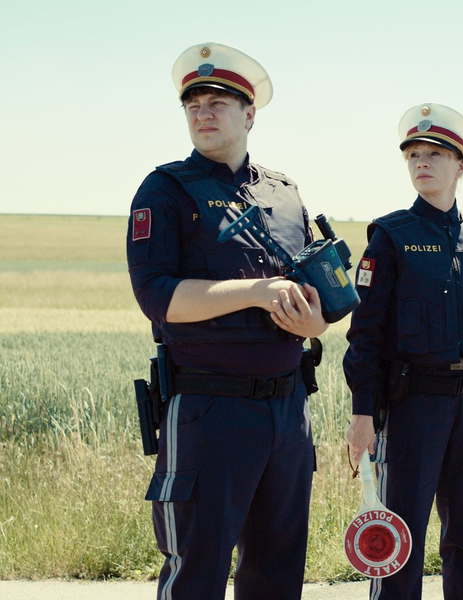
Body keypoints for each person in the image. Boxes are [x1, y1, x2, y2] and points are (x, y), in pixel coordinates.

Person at [126, 42, 327, 600]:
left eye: (218, 102)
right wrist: (258, 292)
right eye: (193, 104)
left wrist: (315, 325)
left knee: (277, 573)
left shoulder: (285, 195)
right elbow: (158, 297)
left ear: (250, 114)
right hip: (209, 413)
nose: (203, 113)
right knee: (197, 573)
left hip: (287, 413)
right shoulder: (166, 190)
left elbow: (319, 300)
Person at [344, 103, 463, 599]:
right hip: (411, 408)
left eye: (434, 154)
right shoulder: (390, 237)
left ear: (460, 166)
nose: (421, 163)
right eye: (414, 155)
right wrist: (364, 413)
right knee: (399, 537)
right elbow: (365, 334)